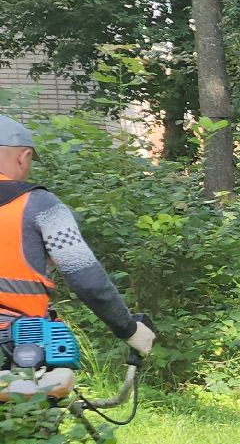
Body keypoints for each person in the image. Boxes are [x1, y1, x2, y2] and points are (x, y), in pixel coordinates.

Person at [0, 114, 155, 358]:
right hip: (15, 347)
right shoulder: (41, 206)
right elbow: (86, 278)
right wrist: (129, 329)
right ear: (23, 157)